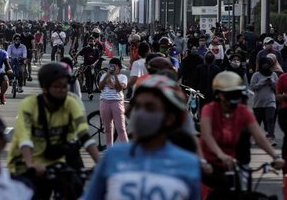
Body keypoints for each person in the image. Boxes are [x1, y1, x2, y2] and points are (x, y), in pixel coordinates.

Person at [84, 75, 201, 200]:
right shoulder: (113, 156)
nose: (139, 114)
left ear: (169, 118)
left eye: (150, 108)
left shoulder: (188, 164)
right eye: (137, 107)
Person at [7, 62, 100, 199]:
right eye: (56, 87)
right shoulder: (29, 105)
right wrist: (31, 164)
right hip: (24, 164)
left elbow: (84, 134)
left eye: (64, 86)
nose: (62, 90)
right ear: (45, 88)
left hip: (55, 163)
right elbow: (24, 138)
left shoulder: (71, 103)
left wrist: (101, 164)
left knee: (74, 189)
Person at [200, 71, 284, 199]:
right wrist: (220, 155)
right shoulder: (209, 109)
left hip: (232, 164)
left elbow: (259, 136)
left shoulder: (242, 111)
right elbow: (207, 136)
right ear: (219, 95)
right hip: (209, 164)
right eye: (229, 94)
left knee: (241, 194)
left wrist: (275, 156)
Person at [98, 58, 128, 147]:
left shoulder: (123, 77)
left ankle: (126, 149)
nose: (112, 68)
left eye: (114, 66)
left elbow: (120, 88)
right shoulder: (104, 75)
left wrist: (115, 76)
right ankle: (109, 148)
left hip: (117, 102)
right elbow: (100, 87)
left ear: (118, 67)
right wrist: (107, 75)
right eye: (110, 66)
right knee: (107, 128)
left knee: (121, 128)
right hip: (105, 101)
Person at [250, 57, 279, 146]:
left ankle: (271, 138)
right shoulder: (256, 75)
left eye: (267, 63)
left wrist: (272, 83)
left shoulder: (273, 74)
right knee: (257, 121)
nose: (266, 65)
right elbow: (252, 87)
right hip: (258, 102)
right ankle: (255, 137)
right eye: (264, 63)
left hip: (270, 100)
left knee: (270, 119)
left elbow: (277, 87)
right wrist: (262, 83)